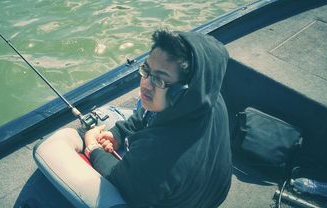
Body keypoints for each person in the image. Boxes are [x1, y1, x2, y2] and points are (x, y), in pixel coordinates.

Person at [83, 29, 232, 207]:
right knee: (145, 102)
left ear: (184, 92)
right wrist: (118, 134)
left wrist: (93, 149)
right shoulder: (207, 98)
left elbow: (119, 177)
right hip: (204, 196)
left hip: (161, 191)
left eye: (159, 80)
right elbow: (147, 112)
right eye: (146, 69)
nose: (145, 84)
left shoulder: (157, 152)